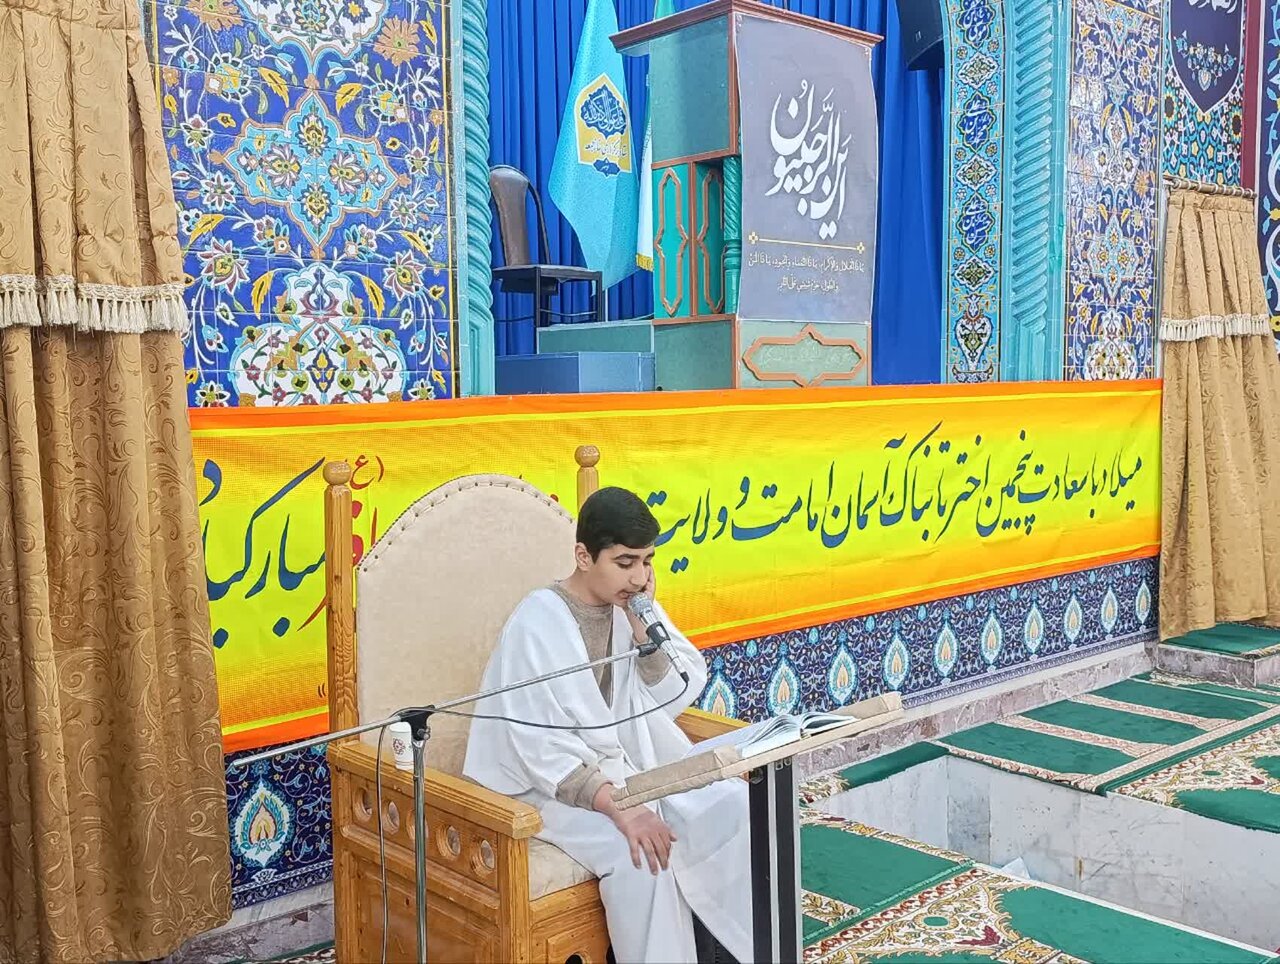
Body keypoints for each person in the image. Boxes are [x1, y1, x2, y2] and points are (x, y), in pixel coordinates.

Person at [463, 486, 752, 963]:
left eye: (647, 561)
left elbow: (672, 693)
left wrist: (642, 631)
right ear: (583, 556)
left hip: (621, 771)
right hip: (537, 791)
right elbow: (542, 751)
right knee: (641, 856)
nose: (639, 577)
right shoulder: (537, 622)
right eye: (624, 562)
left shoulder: (631, 607)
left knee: (732, 804)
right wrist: (624, 810)